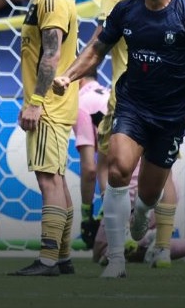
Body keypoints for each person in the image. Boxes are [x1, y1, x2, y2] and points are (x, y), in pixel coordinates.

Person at [52, 0, 185, 278]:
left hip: (172, 114)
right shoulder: (126, 10)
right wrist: (68, 75)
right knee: (116, 171)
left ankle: (142, 213)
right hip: (132, 105)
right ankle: (116, 260)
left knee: (149, 194)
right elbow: (97, 50)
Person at [10, 0, 78, 276]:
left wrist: (36, 101)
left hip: (48, 104)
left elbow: (51, 52)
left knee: (48, 180)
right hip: (56, 103)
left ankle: (49, 259)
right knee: (58, 180)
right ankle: (63, 258)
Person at [73, 75, 110, 248]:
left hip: (125, 196)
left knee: (101, 252)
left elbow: (89, 169)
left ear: (78, 80)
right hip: (151, 188)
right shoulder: (110, 95)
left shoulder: (82, 103)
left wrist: (86, 215)